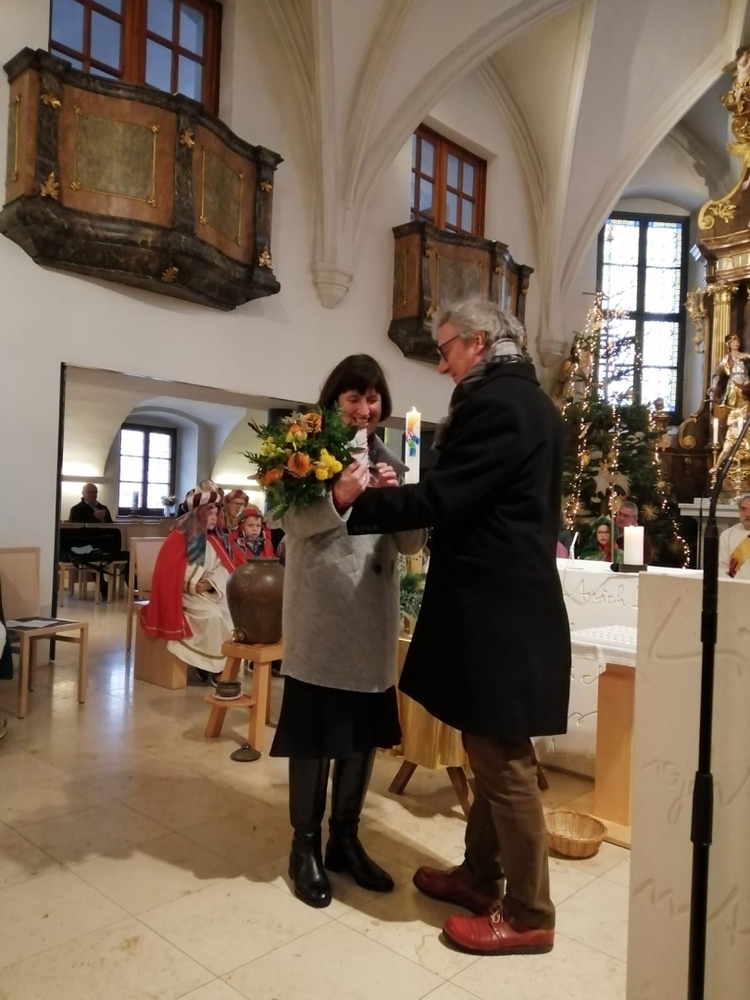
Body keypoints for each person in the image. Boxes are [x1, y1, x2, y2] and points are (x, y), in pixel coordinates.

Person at [343, 298, 571, 957]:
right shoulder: (528, 401)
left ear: (477, 341)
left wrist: (363, 502)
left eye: (444, 350)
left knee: (502, 760)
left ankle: (528, 913)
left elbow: (447, 497)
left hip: (496, 607)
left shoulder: (499, 405)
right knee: (489, 745)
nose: (441, 365)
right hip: (504, 600)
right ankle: (479, 876)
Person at [269, 354, 426, 910]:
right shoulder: (303, 453)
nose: (364, 408)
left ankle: (345, 839)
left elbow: (412, 545)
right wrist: (338, 497)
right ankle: (303, 846)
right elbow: (282, 519)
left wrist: (396, 500)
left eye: (373, 397)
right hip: (323, 616)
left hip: (371, 622)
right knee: (315, 735)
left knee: (361, 736)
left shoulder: (392, 462)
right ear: (333, 402)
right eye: (353, 397)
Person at [140, 490, 237, 681]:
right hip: (183, 593)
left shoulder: (216, 538)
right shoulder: (179, 537)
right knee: (212, 615)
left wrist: (209, 583)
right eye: (209, 513)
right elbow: (169, 570)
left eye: (216, 514)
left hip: (211, 591)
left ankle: (216, 663)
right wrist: (195, 582)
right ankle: (212, 667)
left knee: (230, 612)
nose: (214, 518)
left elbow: (224, 566)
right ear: (198, 514)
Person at [713, 333, 750, 466]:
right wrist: (714, 386)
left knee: (746, 409)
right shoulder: (726, 360)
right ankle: (734, 439)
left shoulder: (746, 356)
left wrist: (747, 380)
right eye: (733, 342)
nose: (736, 344)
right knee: (733, 411)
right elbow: (718, 373)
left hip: (745, 388)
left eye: (737, 341)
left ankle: (745, 438)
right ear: (728, 344)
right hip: (733, 388)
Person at [718, 493, 750, 579]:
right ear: (739, 511)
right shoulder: (727, 535)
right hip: (732, 586)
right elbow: (720, 568)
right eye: (743, 509)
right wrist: (732, 585)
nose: (748, 514)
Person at [615, 499, 653, 564]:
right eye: (620, 514)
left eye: (626, 516)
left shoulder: (641, 539)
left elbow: (645, 563)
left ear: (635, 519)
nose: (621, 518)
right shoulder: (610, 532)